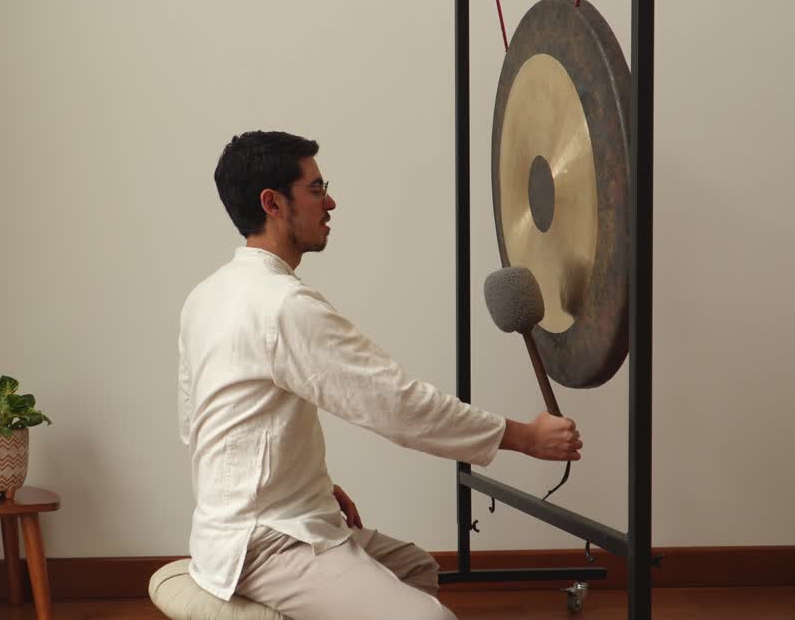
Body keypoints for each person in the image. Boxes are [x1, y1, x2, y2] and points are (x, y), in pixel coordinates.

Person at [178, 130, 582, 620]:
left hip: (236, 523)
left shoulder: (206, 295)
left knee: (416, 570)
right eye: (315, 188)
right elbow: (396, 405)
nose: (331, 201)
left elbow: (205, 424)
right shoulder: (283, 307)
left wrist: (311, 485)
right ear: (273, 203)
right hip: (263, 542)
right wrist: (525, 437)